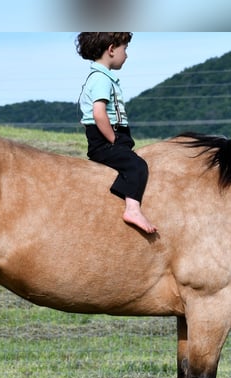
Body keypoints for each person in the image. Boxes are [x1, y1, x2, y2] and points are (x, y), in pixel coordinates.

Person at [76, 32, 157, 234]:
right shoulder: (101, 79)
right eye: (125, 49)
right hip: (106, 138)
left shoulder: (101, 77)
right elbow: (99, 114)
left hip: (111, 135)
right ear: (112, 50)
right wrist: (114, 139)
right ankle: (132, 209)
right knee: (137, 165)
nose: (126, 55)